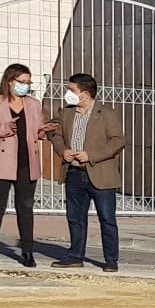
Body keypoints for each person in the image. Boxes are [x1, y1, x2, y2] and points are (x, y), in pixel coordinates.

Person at [48, 73, 126, 272]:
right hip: (73, 173)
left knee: (107, 218)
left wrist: (90, 155)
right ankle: (75, 256)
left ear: (84, 93)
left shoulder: (107, 113)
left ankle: (110, 259)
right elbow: (55, 135)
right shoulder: (66, 113)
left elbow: (118, 141)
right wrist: (63, 151)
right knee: (75, 217)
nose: (68, 93)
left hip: (100, 174)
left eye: (71, 90)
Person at [0, 63, 51, 268]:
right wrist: (4, 127)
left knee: (26, 208)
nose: (25, 86)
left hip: (26, 162)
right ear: (10, 81)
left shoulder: (33, 104)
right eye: (22, 82)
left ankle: (27, 251)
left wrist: (43, 130)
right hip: (0, 161)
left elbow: (35, 130)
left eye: (28, 82)